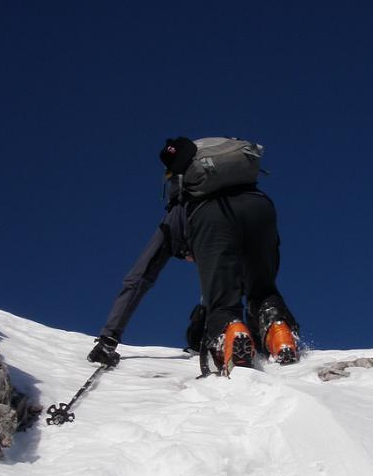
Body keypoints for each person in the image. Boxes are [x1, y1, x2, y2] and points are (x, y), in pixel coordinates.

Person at [88, 136, 299, 373]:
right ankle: (279, 332)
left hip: (211, 217)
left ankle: (231, 331)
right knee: (263, 291)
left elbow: (140, 277)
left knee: (223, 305)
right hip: (260, 207)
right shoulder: (240, 185)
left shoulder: (180, 212)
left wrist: (109, 337)